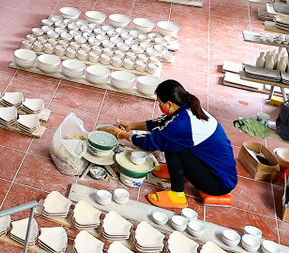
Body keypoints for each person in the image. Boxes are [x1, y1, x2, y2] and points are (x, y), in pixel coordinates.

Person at [100, 79, 237, 208]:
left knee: (171, 145)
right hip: (214, 170)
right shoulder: (187, 107)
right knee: (172, 141)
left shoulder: (182, 125)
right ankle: (180, 171)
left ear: (170, 104)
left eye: (160, 103)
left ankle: (177, 195)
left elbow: (150, 142)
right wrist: (132, 125)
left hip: (218, 183)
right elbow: (162, 122)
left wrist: (122, 134)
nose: (159, 106)